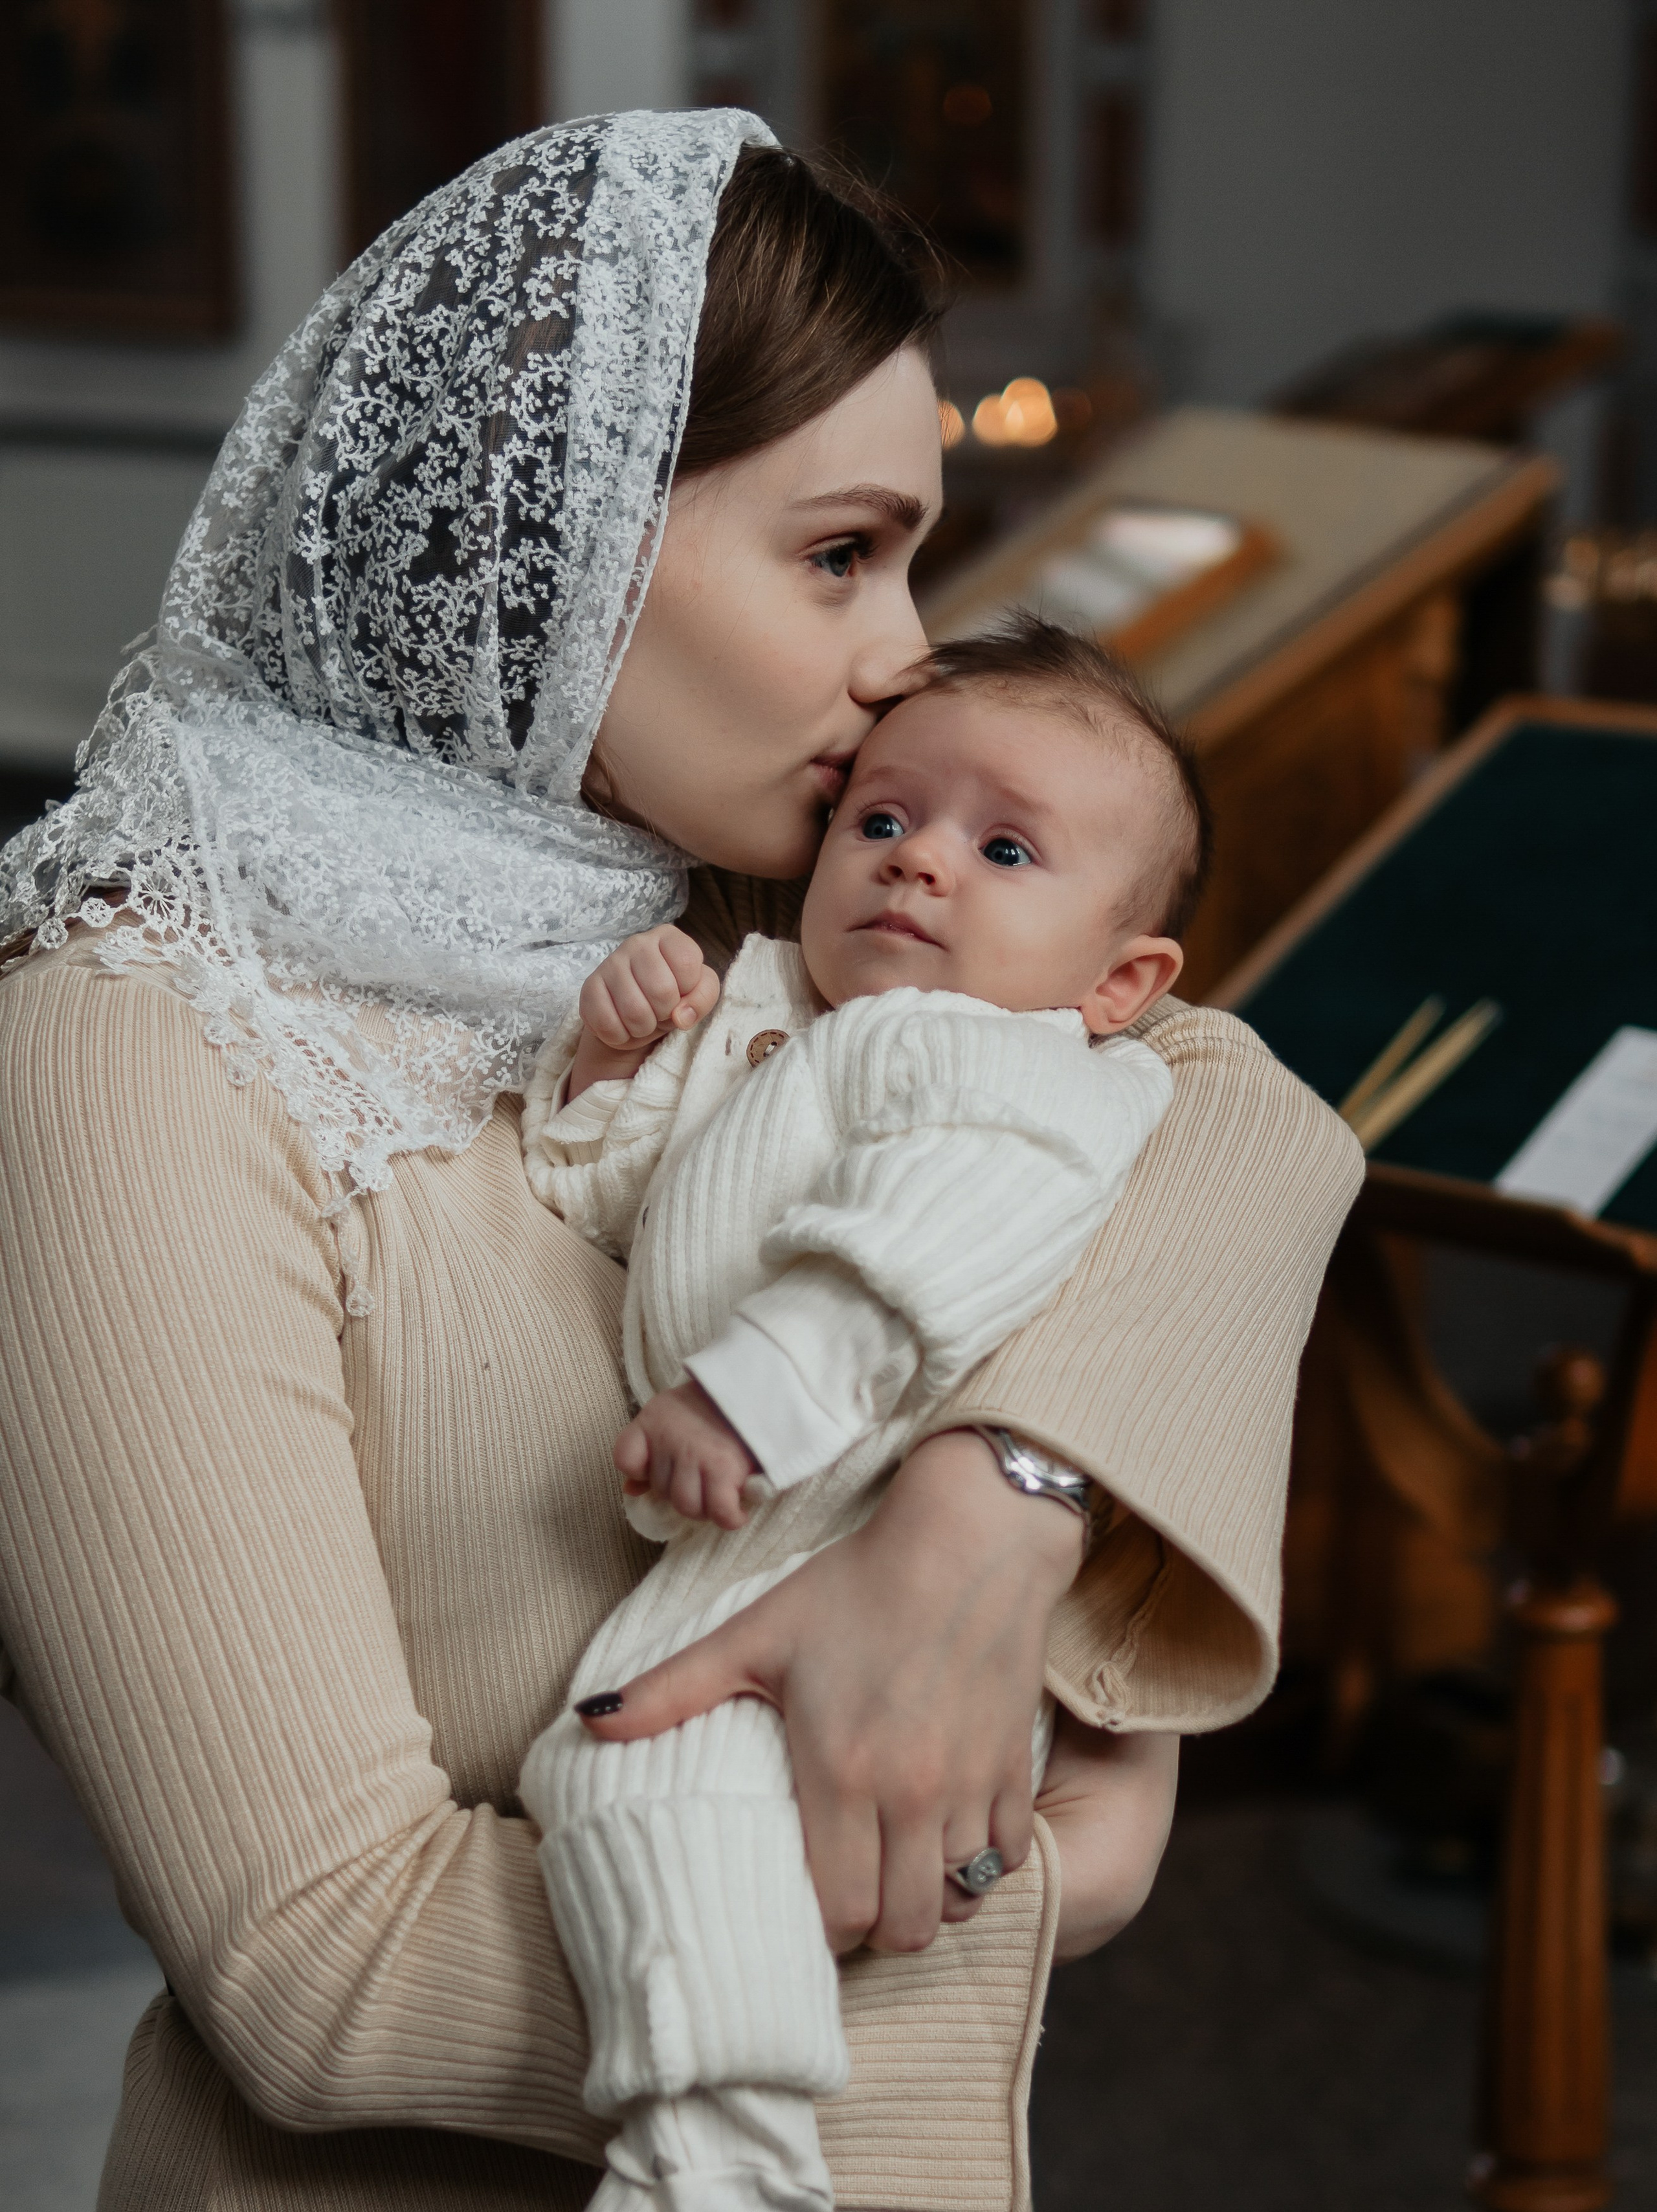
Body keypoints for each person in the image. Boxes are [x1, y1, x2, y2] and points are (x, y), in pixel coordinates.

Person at [0, 110, 1361, 2212]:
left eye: (915, 553)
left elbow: (1235, 1108)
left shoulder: (747, 890)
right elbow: (313, 1961)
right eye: (841, 553)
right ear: (560, 535)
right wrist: (1015, 1893)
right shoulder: (122, 1048)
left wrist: (990, 1510)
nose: (910, 649)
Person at [517, 618, 1201, 2209]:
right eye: (880, 820)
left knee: (653, 1784)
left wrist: (756, 1394)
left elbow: (935, 1234)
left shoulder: (1005, 1064)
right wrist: (606, 1066)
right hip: (769, 1539)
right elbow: (597, 1206)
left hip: (882, 1544)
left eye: (1003, 846)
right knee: (620, 1783)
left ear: (1116, 979)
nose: (915, 865)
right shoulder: (774, 1015)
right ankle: (721, 2154)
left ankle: (722, 2163)